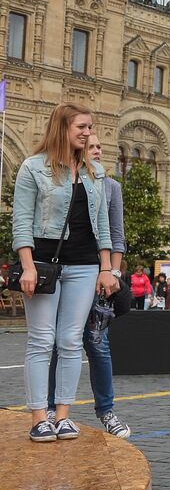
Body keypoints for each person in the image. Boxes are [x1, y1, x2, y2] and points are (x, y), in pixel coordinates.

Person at [14, 103, 119, 443]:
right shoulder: (33, 168)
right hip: (45, 265)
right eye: (82, 127)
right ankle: (38, 417)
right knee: (42, 340)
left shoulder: (94, 172)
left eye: (90, 127)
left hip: (86, 265)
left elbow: (102, 224)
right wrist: (27, 266)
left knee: (71, 341)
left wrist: (107, 268)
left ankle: (62, 415)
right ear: (63, 128)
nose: (88, 133)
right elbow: (22, 222)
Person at [44, 130, 131, 439]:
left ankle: (106, 412)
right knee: (58, 341)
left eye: (98, 146)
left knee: (97, 344)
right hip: (65, 270)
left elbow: (117, 235)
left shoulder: (110, 187)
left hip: (98, 275)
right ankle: (53, 407)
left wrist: (113, 274)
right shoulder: (59, 178)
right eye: (90, 146)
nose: (95, 151)